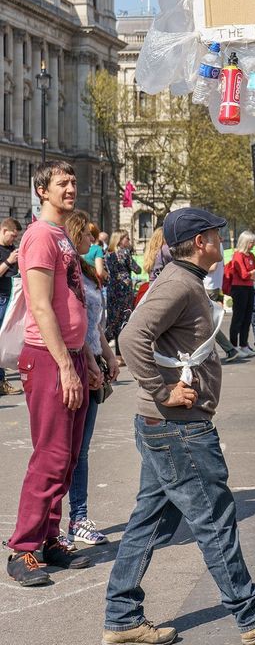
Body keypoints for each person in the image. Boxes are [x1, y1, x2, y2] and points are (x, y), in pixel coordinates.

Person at [102, 207, 255, 645]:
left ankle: (122, 617)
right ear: (201, 242)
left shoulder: (183, 280)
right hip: (177, 426)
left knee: (148, 520)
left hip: (167, 426)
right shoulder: (179, 282)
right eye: (217, 234)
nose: (222, 239)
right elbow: (130, 336)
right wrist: (162, 390)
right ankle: (249, 611)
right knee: (214, 516)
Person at [6, 162, 94, 586]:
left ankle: (50, 536)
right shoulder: (39, 236)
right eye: (62, 183)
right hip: (46, 359)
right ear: (42, 190)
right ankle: (23, 548)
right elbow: (40, 306)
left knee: (68, 458)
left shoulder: (60, 236)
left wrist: (88, 358)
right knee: (51, 456)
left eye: (73, 182)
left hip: (71, 356)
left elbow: (74, 300)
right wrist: (64, 365)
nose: (71, 188)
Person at [64, 210, 120, 545]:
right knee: (64, 449)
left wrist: (108, 354)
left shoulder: (86, 270)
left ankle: (79, 517)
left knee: (81, 448)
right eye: (87, 233)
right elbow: (73, 324)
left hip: (93, 358)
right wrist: (90, 361)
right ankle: (53, 522)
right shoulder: (67, 273)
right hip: (75, 362)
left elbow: (95, 322)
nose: (93, 238)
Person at [105, 230, 141, 362]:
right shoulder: (124, 252)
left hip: (112, 288)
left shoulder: (107, 254)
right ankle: (120, 354)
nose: (129, 241)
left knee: (113, 320)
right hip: (124, 290)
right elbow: (137, 269)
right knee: (124, 320)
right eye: (127, 239)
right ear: (120, 240)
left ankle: (111, 352)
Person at [0, 217, 22, 395]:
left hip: (12, 297)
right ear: (3, 231)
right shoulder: (5, 252)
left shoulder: (13, 249)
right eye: (12, 236)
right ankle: (1, 382)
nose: (13, 239)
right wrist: (8, 261)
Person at [228, 231, 255, 354]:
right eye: (251, 242)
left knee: (247, 317)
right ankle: (233, 345)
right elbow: (243, 274)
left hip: (249, 287)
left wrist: (251, 274)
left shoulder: (251, 255)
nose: (253, 244)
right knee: (238, 317)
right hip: (239, 288)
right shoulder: (238, 255)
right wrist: (251, 274)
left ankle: (244, 344)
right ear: (245, 242)